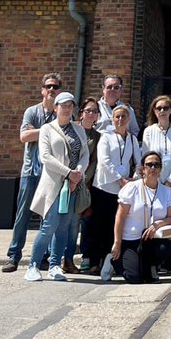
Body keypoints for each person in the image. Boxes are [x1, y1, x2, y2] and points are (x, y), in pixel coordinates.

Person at [25, 92, 90, 282]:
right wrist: (68, 173)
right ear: (56, 108)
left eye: (70, 105)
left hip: (72, 186)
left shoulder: (78, 130)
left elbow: (85, 154)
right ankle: (33, 265)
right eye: (63, 105)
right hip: (55, 185)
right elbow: (45, 157)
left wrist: (77, 173)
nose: (67, 108)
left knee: (64, 226)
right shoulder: (47, 129)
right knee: (49, 225)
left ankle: (55, 265)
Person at [3, 73, 61, 272]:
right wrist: (48, 129)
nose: (52, 90)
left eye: (55, 87)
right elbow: (24, 136)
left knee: (47, 217)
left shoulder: (60, 114)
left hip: (51, 174)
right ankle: (13, 256)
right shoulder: (31, 112)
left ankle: (43, 256)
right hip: (30, 171)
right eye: (48, 86)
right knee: (22, 215)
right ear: (42, 89)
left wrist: (38, 131)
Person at [111, 150, 171, 284]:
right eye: (149, 165)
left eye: (156, 165)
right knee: (134, 278)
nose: (153, 168)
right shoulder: (132, 188)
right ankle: (113, 261)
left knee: (165, 248)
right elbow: (120, 216)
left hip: (152, 239)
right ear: (143, 169)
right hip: (131, 239)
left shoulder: (167, 191)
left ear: (160, 169)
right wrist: (117, 243)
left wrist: (157, 225)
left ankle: (151, 267)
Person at [92, 105, 142, 275]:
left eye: (123, 117)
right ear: (112, 119)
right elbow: (104, 161)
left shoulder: (133, 139)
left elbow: (139, 162)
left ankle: (114, 260)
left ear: (128, 119)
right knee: (101, 226)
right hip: (105, 186)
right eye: (117, 117)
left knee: (117, 225)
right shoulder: (106, 137)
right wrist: (119, 179)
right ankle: (96, 262)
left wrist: (133, 179)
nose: (120, 120)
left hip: (123, 189)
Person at [70, 96, 102, 273]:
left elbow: (95, 161)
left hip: (86, 183)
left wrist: (84, 180)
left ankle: (86, 256)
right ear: (81, 112)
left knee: (87, 222)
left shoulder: (98, 137)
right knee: (68, 222)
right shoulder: (73, 130)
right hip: (68, 179)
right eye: (88, 110)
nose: (91, 114)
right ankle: (63, 257)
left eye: (94, 111)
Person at [141, 95, 171, 193]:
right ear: (154, 111)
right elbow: (146, 156)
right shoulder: (148, 131)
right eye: (159, 108)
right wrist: (156, 180)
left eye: (165, 108)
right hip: (153, 181)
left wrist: (170, 180)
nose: (162, 111)